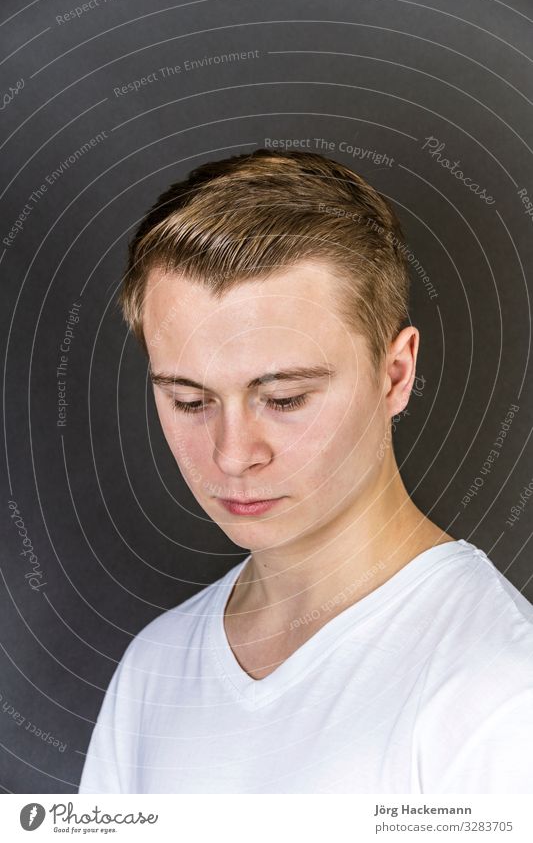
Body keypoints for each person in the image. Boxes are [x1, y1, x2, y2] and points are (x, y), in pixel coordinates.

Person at [78, 149, 533, 794]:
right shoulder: (155, 668)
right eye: (190, 400)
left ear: (394, 374)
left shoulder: (501, 698)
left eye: (285, 398)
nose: (233, 454)